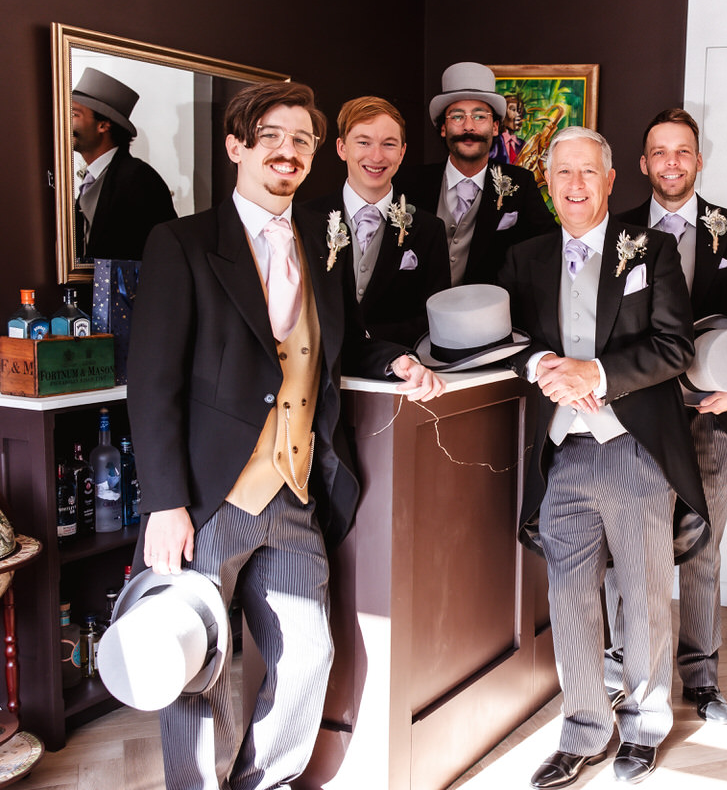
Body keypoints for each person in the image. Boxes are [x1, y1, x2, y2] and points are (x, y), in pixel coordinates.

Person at [127, 81, 444, 790]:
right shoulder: (181, 242)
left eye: (300, 139)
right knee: (197, 669)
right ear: (236, 146)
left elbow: (347, 343)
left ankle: (260, 784)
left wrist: (394, 360)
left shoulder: (321, 248)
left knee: (307, 658)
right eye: (271, 135)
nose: (288, 151)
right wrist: (166, 502)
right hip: (209, 499)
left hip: (298, 493)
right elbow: (152, 382)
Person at [498, 126, 707, 788]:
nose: (576, 185)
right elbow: (509, 339)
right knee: (570, 598)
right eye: (563, 173)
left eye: (589, 172)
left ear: (612, 180)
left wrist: (596, 373)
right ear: (549, 181)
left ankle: (645, 725)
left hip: (634, 450)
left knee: (645, 595)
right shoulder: (524, 257)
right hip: (561, 454)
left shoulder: (654, 248)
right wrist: (539, 363)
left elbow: (676, 347)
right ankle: (584, 727)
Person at [605, 108, 727, 725]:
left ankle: (701, 677)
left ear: (699, 160)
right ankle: (624, 667)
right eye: (660, 152)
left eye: (684, 151)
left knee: (702, 547)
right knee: (632, 544)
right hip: (640, 418)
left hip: (715, 414)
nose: (672, 162)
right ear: (644, 162)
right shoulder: (614, 229)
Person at [305, 96, 450, 347]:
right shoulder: (306, 219)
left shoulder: (429, 229)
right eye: (363, 142)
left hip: (393, 373)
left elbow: (435, 317)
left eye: (389, 144)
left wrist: (369, 338)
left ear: (402, 152)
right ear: (342, 148)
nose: (376, 156)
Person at [396, 62, 556, 286]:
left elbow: (550, 247)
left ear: (495, 127)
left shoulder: (521, 183)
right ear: (443, 128)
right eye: (457, 117)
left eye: (480, 116)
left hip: (491, 316)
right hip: (419, 318)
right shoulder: (409, 183)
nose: (468, 127)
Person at [72, 67, 177, 261]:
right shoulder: (92, 179)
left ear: (103, 125)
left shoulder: (139, 179)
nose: (66, 123)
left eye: (74, 115)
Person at [490, 93, 527, 164]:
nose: (518, 114)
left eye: (519, 110)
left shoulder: (523, 144)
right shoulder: (493, 143)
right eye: (513, 110)